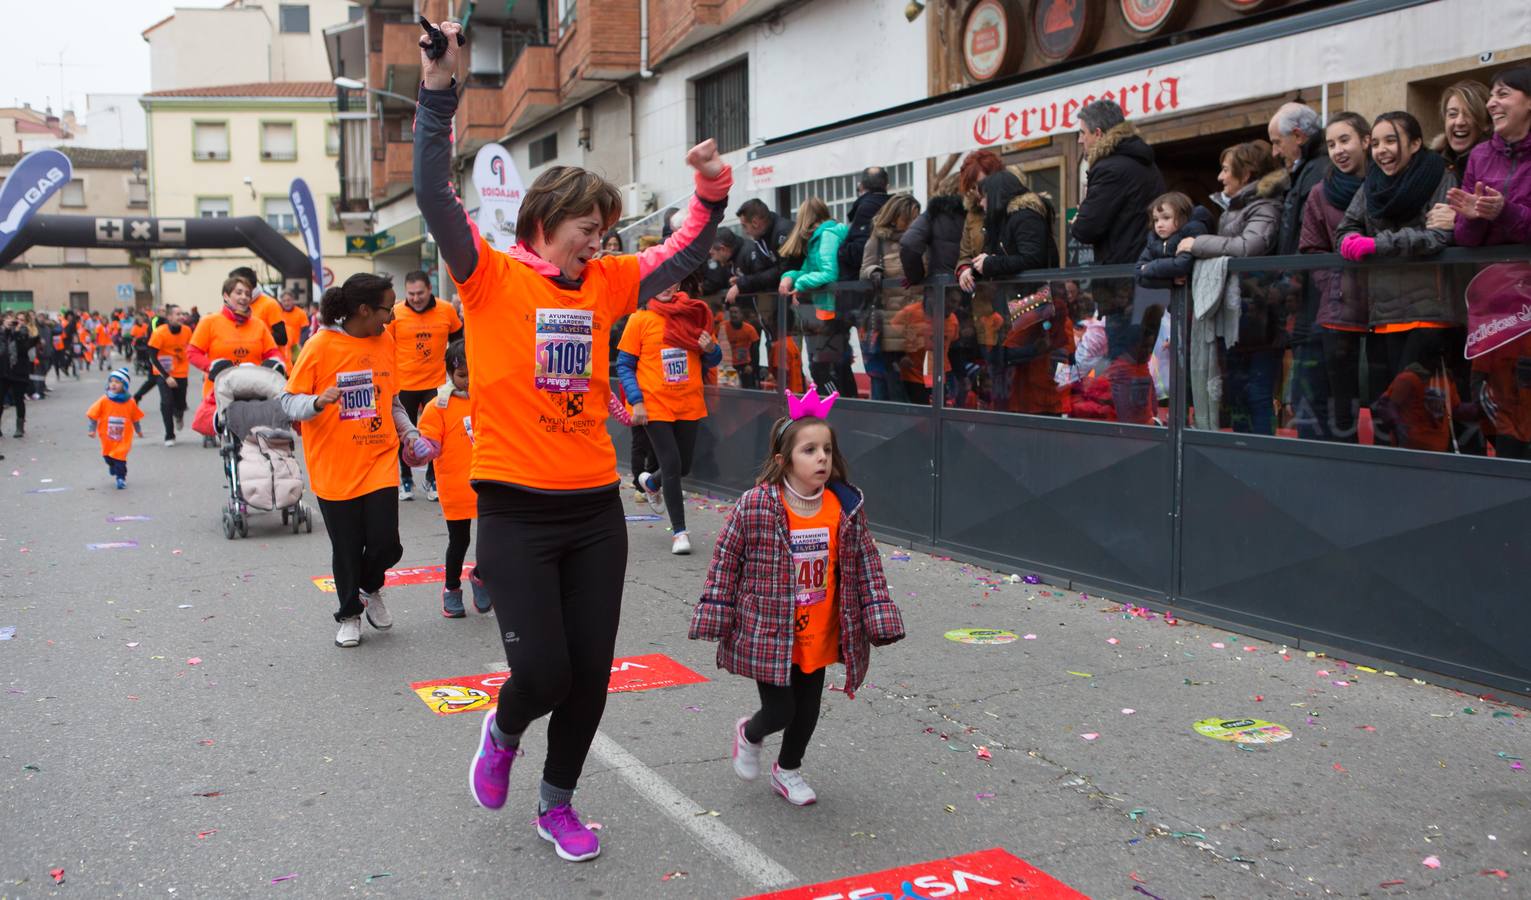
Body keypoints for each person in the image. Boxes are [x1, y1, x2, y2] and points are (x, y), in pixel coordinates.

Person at [413, 17, 727, 863]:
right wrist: (439, 93)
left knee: (589, 677)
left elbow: (686, 250)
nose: (602, 239)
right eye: (589, 226)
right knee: (543, 674)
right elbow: (435, 194)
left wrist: (710, 190)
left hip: (592, 507)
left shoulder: (614, 280)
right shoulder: (485, 277)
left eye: (607, 228)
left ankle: (557, 804)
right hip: (513, 508)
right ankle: (503, 728)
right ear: (547, 220)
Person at [688, 391, 905, 806]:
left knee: (807, 711)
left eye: (826, 449)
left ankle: (787, 771)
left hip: (820, 631)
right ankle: (749, 734)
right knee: (781, 710)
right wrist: (717, 610)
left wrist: (878, 611)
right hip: (770, 630)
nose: (821, 458)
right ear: (784, 460)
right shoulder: (757, 505)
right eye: (809, 450)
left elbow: (866, 563)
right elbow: (726, 558)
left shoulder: (844, 507)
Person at [281, 273, 433, 648]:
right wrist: (316, 403)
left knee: (387, 544)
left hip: (379, 458)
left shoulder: (386, 340)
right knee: (347, 547)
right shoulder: (319, 346)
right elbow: (287, 401)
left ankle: (368, 587)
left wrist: (409, 433)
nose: (393, 317)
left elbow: (391, 400)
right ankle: (349, 614)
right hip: (334, 465)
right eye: (388, 308)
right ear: (365, 310)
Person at [1335, 110, 1459, 446]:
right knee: (1381, 414)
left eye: (1391, 140)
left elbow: (1437, 238)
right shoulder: (1371, 184)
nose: (1381, 150)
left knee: (1413, 413)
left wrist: (1377, 244)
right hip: (1382, 316)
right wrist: (1348, 241)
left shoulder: (1439, 177)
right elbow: (1346, 228)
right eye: (1375, 143)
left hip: (1427, 316)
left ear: (1415, 143)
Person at [1445, 66, 1531, 460]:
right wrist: (1475, 216)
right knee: (1495, 403)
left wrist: (1504, 212)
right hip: (1492, 301)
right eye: (1492, 95)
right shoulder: (1480, 154)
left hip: (1527, 301)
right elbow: (1464, 237)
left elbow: (1515, 218)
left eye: (1502, 94)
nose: (1492, 103)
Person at [1184, 141, 1290, 435]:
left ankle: (1260, 462)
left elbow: (1250, 247)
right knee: (1238, 394)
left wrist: (1198, 245)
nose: (1220, 177)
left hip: (1260, 318)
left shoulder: (1266, 205)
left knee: (1256, 394)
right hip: (1237, 317)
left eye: (1226, 169)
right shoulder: (1237, 207)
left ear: (1247, 174)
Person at [618, 282, 722, 554]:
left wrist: (711, 348)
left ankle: (651, 482)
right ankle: (680, 533)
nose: (666, 286)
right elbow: (625, 365)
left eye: (672, 281)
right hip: (655, 405)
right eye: (660, 280)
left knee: (683, 466)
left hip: (689, 403)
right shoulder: (639, 319)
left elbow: (712, 359)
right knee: (673, 464)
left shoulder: (691, 314)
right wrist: (636, 401)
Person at [1301, 111, 1375, 444]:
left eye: (1345, 140)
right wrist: (1334, 285)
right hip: (1338, 305)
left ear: (1366, 140)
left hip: (1385, 302)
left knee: (1384, 389)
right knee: (1340, 397)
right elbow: (1311, 248)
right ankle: (1347, 463)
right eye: (1331, 144)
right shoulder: (1320, 192)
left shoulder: (1387, 182)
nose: (1338, 150)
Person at [418, 340, 491, 616]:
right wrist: (421, 449)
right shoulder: (437, 406)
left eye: (473, 375)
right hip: (455, 484)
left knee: (492, 541)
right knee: (459, 542)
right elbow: (430, 441)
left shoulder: (487, 399)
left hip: (488, 481)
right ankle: (451, 588)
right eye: (462, 376)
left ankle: (481, 576)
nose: (468, 382)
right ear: (450, 373)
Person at [387, 270, 463, 501]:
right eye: (411, 294)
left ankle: (432, 479)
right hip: (404, 384)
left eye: (420, 293)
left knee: (435, 434)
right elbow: (385, 347)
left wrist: (457, 375)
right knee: (405, 434)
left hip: (437, 383)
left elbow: (459, 342)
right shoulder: (396, 313)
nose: (416, 298)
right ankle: (406, 478)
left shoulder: (446, 310)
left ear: (430, 289)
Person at [1071, 99, 1167, 265]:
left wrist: (1079, 218)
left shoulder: (1109, 170)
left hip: (1121, 274)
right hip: (1145, 268)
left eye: (1082, 133)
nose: (1080, 140)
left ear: (1098, 134)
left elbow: (1085, 229)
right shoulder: (1144, 163)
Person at [779, 199, 849, 393]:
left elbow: (829, 273)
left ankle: (835, 406)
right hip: (825, 310)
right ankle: (836, 406)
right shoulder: (819, 238)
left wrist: (800, 284)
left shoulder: (826, 235)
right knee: (823, 366)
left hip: (832, 310)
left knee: (823, 367)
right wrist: (789, 278)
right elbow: (806, 270)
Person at [859, 193, 922, 402]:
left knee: (912, 377)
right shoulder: (878, 238)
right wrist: (874, 271)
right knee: (890, 376)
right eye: (911, 216)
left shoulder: (920, 238)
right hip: (889, 319)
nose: (915, 221)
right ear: (897, 216)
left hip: (916, 318)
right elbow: (865, 268)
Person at [1136, 191, 1212, 289]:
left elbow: (1181, 265)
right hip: (1178, 297)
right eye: (1156, 219)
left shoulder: (1193, 231)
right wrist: (1170, 281)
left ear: (1183, 217)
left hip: (1201, 293)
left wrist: (1150, 267)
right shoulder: (1154, 240)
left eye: (1166, 218)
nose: (1159, 224)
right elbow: (1139, 274)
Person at [900, 174, 965, 286]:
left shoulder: (932, 215)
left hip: (941, 289)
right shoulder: (977, 214)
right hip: (978, 288)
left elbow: (909, 243)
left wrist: (916, 277)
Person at [86, 367, 145, 489]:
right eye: (111, 381)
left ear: (124, 386)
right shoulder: (104, 400)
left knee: (120, 457)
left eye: (117, 382)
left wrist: (138, 430)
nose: (113, 384)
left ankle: (121, 478)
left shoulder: (130, 402)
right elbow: (93, 414)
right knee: (108, 456)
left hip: (123, 436)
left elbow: (135, 417)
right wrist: (92, 429)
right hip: (107, 436)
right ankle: (112, 466)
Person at [730, 198, 795, 307]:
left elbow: (783, 270)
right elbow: (762, 271)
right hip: (782, 297)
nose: (745, 232)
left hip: (803, 297)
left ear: (755, 222)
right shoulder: (761, 237)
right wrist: (743, 280)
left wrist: (744, 283)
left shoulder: (783, 232)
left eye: (744, 226)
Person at [145, 305, 193, 446]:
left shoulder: (187, 331)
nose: (181, 317)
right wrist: (166, 376)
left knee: (180, 403)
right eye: (177, 314)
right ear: (169, 317)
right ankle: (169, 435)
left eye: (181, 314)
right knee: (166, 402)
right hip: (163, 372)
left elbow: (192, 348)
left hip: (181, 372)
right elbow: (152, 356)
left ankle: (179, 415)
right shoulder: (160, 333)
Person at [1433, 80, 1493, 176]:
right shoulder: (1431, 164)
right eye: (1452, 114)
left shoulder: (1498, 163)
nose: (1459, 122)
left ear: (1486, 123)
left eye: (1469, 114)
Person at [839, 167, 890, 276]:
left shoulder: (866, 208)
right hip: (893, 276)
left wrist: (842, 249)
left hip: (866, 280)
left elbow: (859, 251)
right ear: (887, 186)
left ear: (861, 186)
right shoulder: (893, 205)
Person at [0, 312, 32, 437]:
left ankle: (20, 427)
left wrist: (17, 332)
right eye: (8, 318)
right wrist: (6, 331)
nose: (11, 321)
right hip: (3, 372)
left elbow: (24, 349)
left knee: (19, 400)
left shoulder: (23, 332)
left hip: (18, 372)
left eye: (12, 319)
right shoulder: (2, 333)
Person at [718, 304, 761, 389]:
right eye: (731, 313)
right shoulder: (722, 327)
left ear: (741, 314)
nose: (733, 315)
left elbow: (755, 350)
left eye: (736, 312)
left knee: (747, 392)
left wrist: (752, 365)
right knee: (729, 392)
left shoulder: (750, 329)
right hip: (728, 366)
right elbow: (716, 345)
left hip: (745, 366)